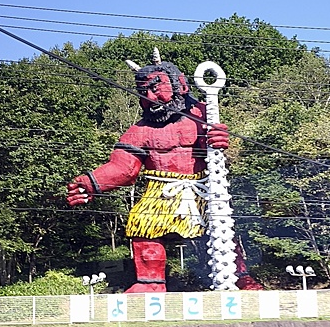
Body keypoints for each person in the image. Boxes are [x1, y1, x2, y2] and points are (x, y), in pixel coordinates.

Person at [66, 51, 262, 293]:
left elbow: (217, 148)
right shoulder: (139, 131)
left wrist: (219, 138)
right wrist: (90, 183)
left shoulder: (203, 114)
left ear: (180, 83)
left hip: (203, 186)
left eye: (155, 88)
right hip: (160, 190)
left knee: (222, 230)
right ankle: (150, 282)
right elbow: (123, 168)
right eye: (143, 92)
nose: (150, 97)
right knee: (142, 223)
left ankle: (240, 277)